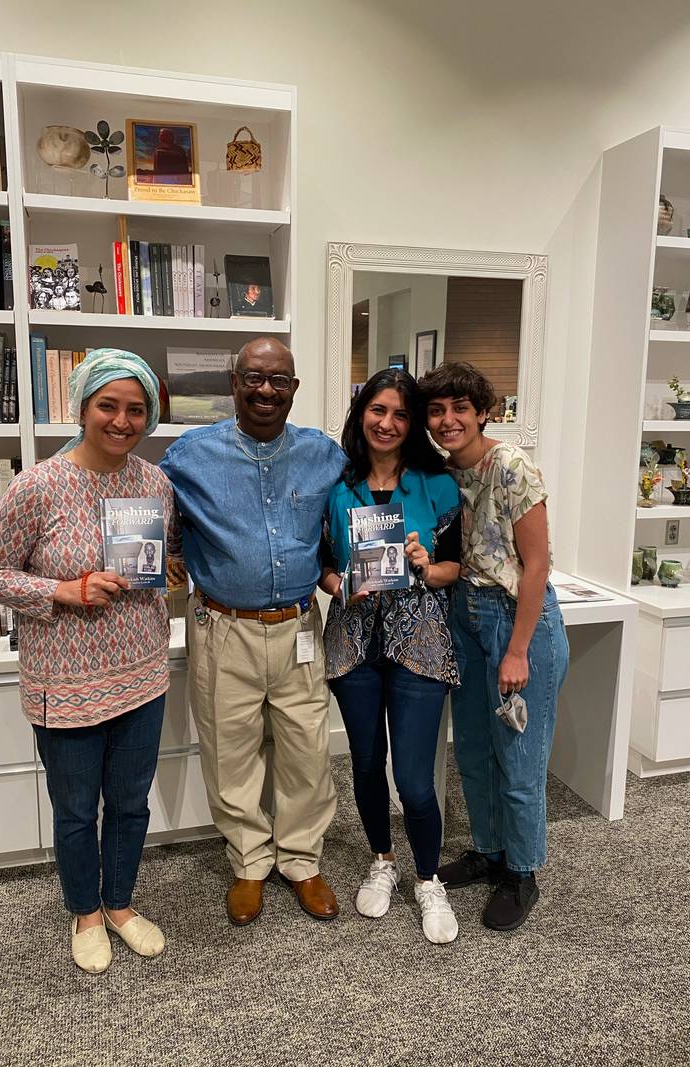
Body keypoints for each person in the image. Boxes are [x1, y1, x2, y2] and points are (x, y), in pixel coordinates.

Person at [0, 347, 181, 973]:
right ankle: (85, 913)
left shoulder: (155, 483)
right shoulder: (38, 485)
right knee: (74, 808)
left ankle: (119, 903)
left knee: (130, 801)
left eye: (136, 410)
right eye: (108, 406)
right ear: (83, 408)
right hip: (63, 683)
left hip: (142, 672)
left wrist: (164, 574)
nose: (122, 421)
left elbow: (162, 560)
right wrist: (62, 591)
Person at [160, 337, 346, 926]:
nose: (267, 389)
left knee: (308, 749)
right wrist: (167, 551)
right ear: (234, 384)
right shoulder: (190, 453)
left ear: (294, 389)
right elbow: (141, 499)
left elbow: (353, 510)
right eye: (254, 378)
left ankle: (301, 859)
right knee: (228, 749)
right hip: (222, 628)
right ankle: (248, 862)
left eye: (280, 380)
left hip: (298, 626)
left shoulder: (324, 454)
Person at [420, 361, 569, 932]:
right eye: (437, 410)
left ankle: (523, 870)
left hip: (515, 623)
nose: (449, 419)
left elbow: (537, 567)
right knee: (475, 751)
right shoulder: (445, 472)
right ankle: (489, 850)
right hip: (465, 616)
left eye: (461, 408)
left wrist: (518, 650)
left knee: (520, 757)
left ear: (484, 411)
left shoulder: (511, 466)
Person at [319, 369, 462, 945]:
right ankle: (383, 858)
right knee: (364, 762)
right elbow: (322, 565)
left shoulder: (438, 485)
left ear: (412, 424)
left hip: (420, 641)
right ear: (362, 415)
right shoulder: (337, 487)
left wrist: (426, 563)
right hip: (355, 640)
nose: (388, 423)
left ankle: (429, 878)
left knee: (415, 778)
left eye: (401, 415)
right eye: (378, 411)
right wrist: (339, 585)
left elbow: (457, 569)